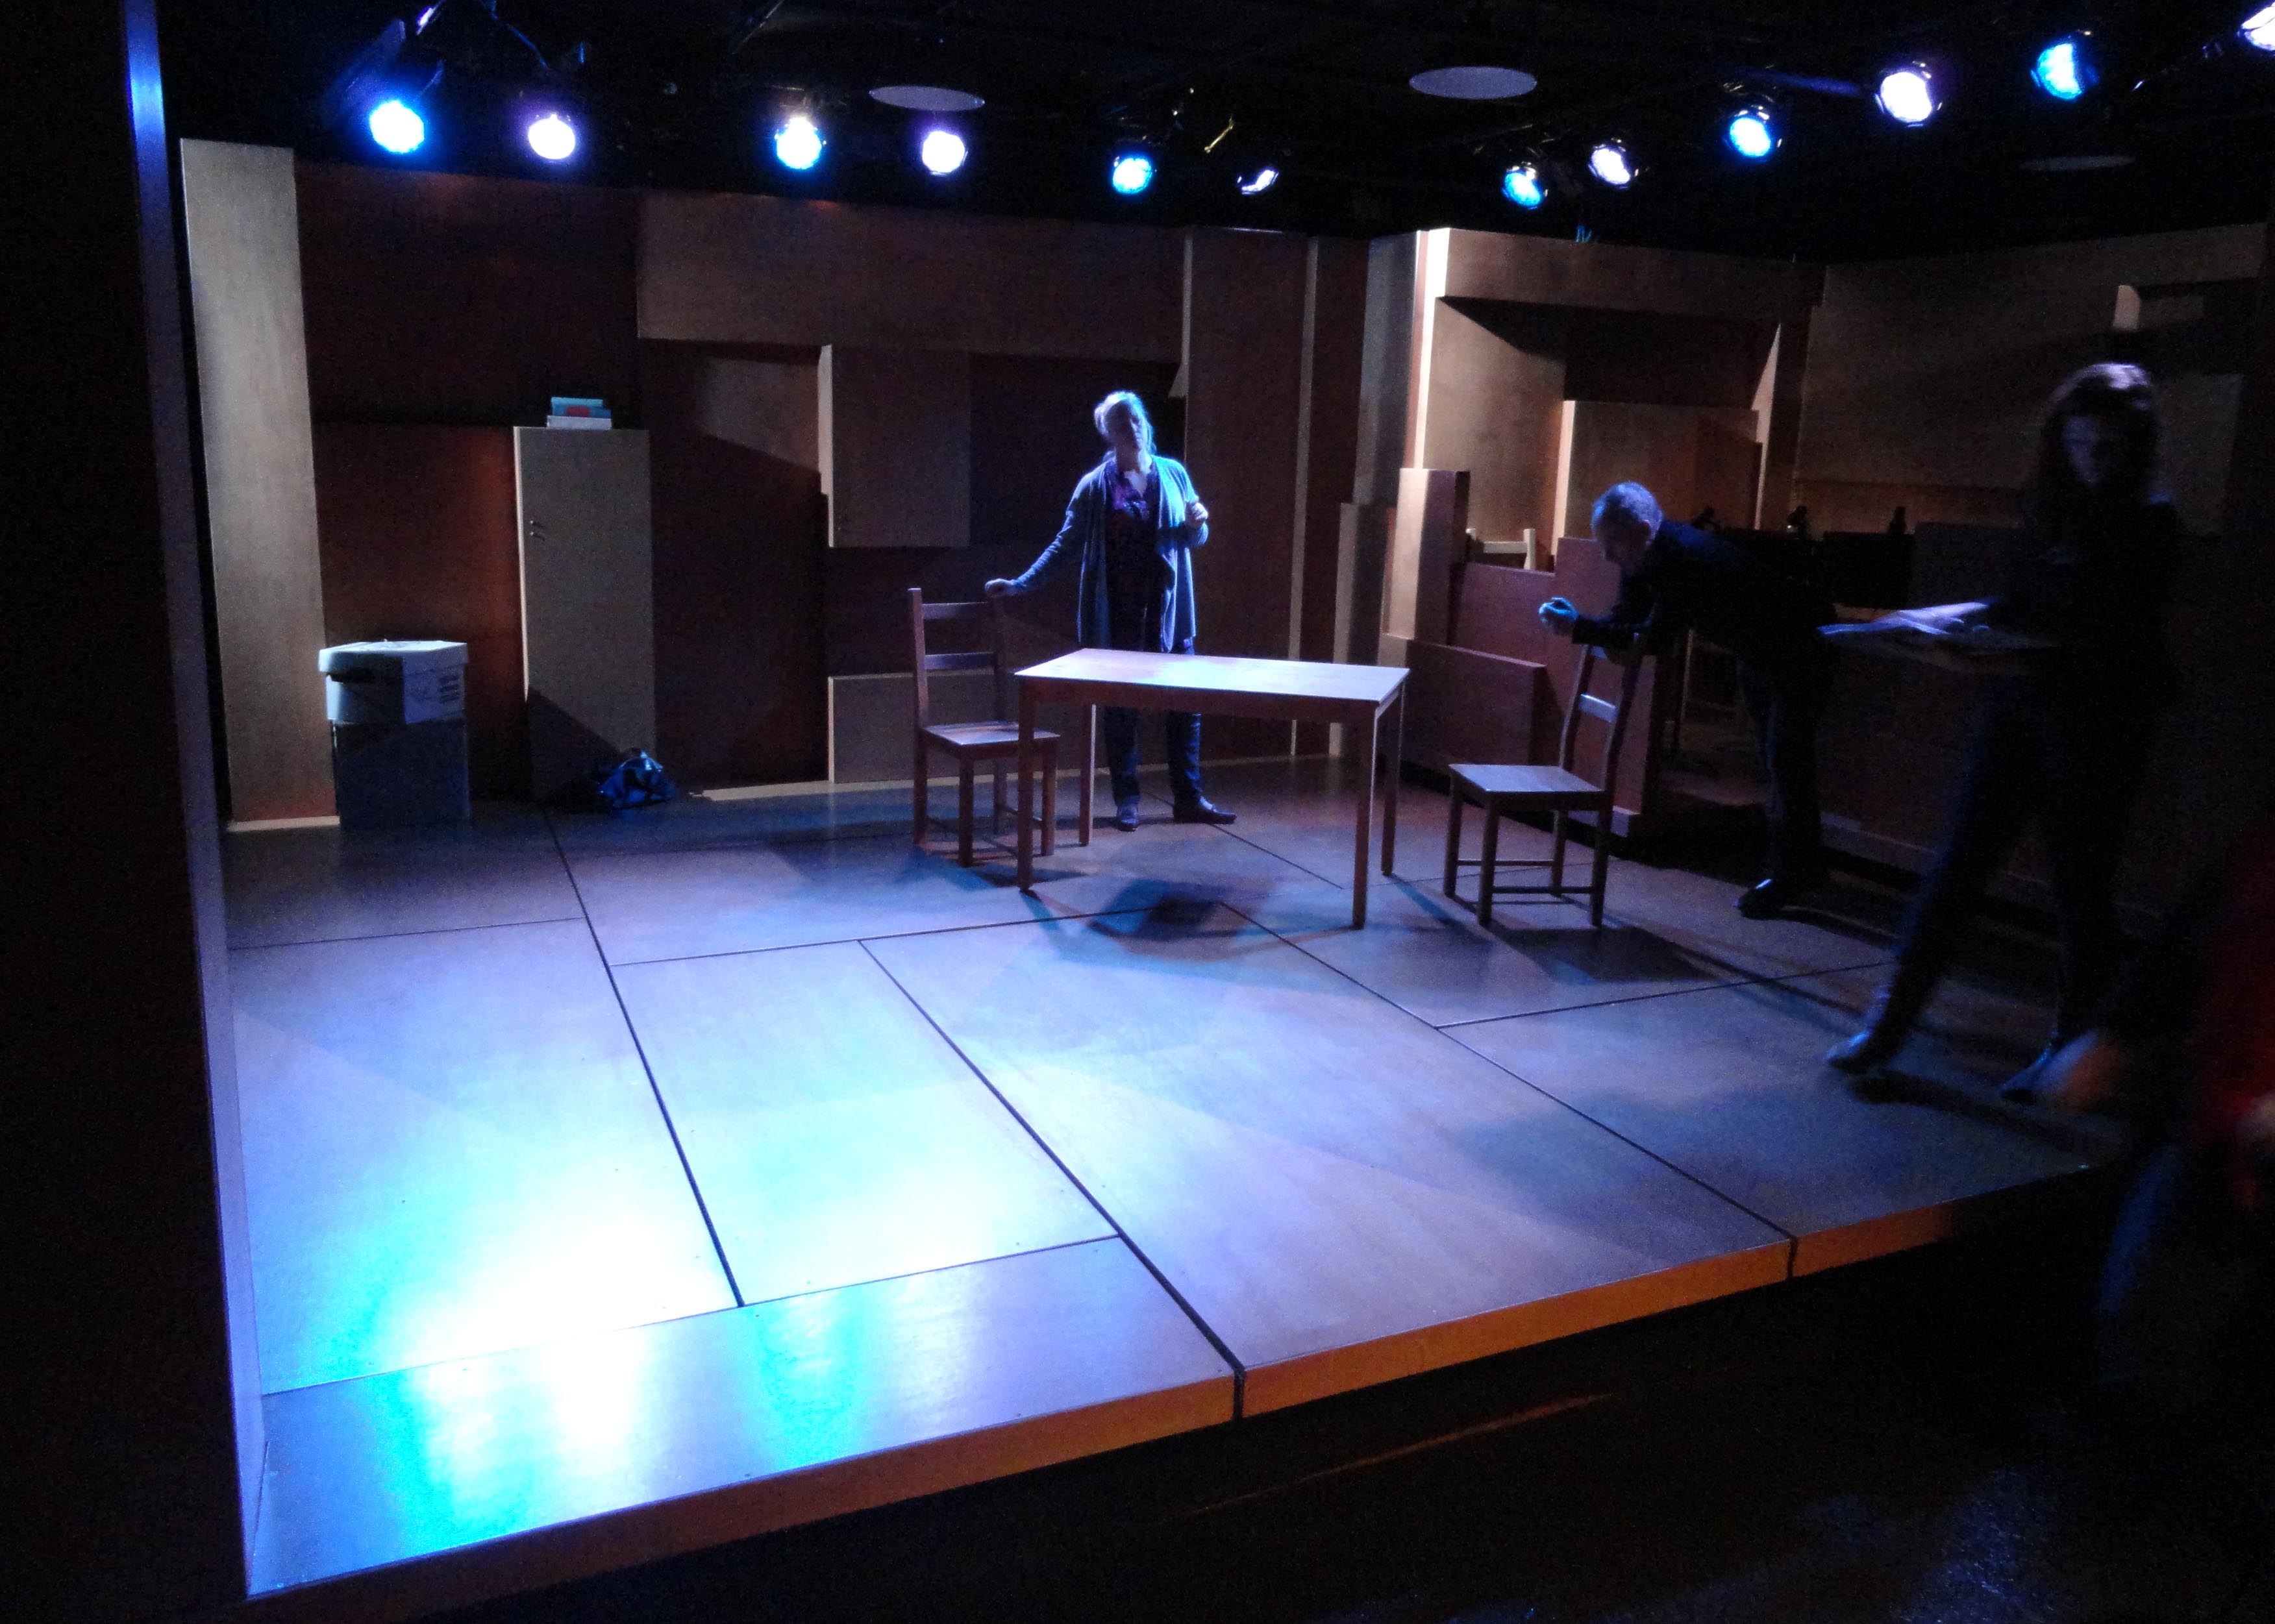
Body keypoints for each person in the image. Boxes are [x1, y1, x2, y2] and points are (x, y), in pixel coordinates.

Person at [1827, 363, 2181, 1092]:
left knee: (2081, 888)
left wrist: (2025, 646)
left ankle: (2071, 1048)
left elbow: (2119, 638)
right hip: (2022, 706)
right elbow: (2019, 603)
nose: (2089, 461)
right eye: (2077, 444)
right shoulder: (2052, 505)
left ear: (2133, 446)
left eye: (2106, 448)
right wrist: (1942, 626)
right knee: (1958, 862)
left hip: (2098, 725)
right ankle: (1889, 1025)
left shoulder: (2151, 522)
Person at [2034, 801, 2275, 1420]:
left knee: (2169, 1315)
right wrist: (2114, 1034)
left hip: (2244, 1142)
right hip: (2210, 1116)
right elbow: (2195, 932)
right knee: (2144, 1310)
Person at [1539, 482, 1835, 918]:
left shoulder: (1682, 559)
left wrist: (1579, 627)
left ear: (1643, 531)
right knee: (1780, 762)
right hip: (1759, 650)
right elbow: (1624, 619)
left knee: (1787, 760)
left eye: (1612, 544)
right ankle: (1803, 868)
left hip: (1799, 646)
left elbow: (1654, 638)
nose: (1607, 556)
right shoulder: (1644, 557)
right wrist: (1579, 622)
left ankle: (1792, 874)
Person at [986, 391, 1235, 833]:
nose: (1131, 429)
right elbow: (1066, 544)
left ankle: (1189, 798)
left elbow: (1193, 538)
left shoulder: (1174, 474)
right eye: (1121, 424)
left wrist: (1199, 523)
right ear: (1109, 434)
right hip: (1119, 614)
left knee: (1186, 704)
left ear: (1145, 423)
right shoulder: (1095, 486)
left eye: (1135, 420)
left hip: (1169, 614)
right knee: (1121, 711)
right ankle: (1127, 800)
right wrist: (1022, 583)